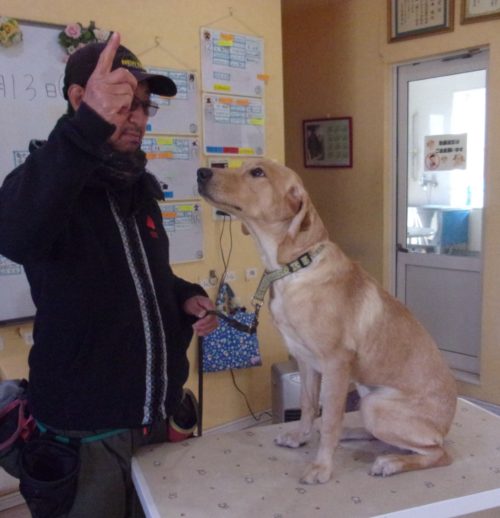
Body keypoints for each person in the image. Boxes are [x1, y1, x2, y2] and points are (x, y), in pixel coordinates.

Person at [0, 33, 217, 517]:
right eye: (123, 103)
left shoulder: (137, 188)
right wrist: (87, 129)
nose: (138, 118)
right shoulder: (46, 183)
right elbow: (13, 235)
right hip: (85, 433)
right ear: (80, 98)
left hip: (155, 420)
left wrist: (186, 297)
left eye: (144, 106)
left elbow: (147, 282)